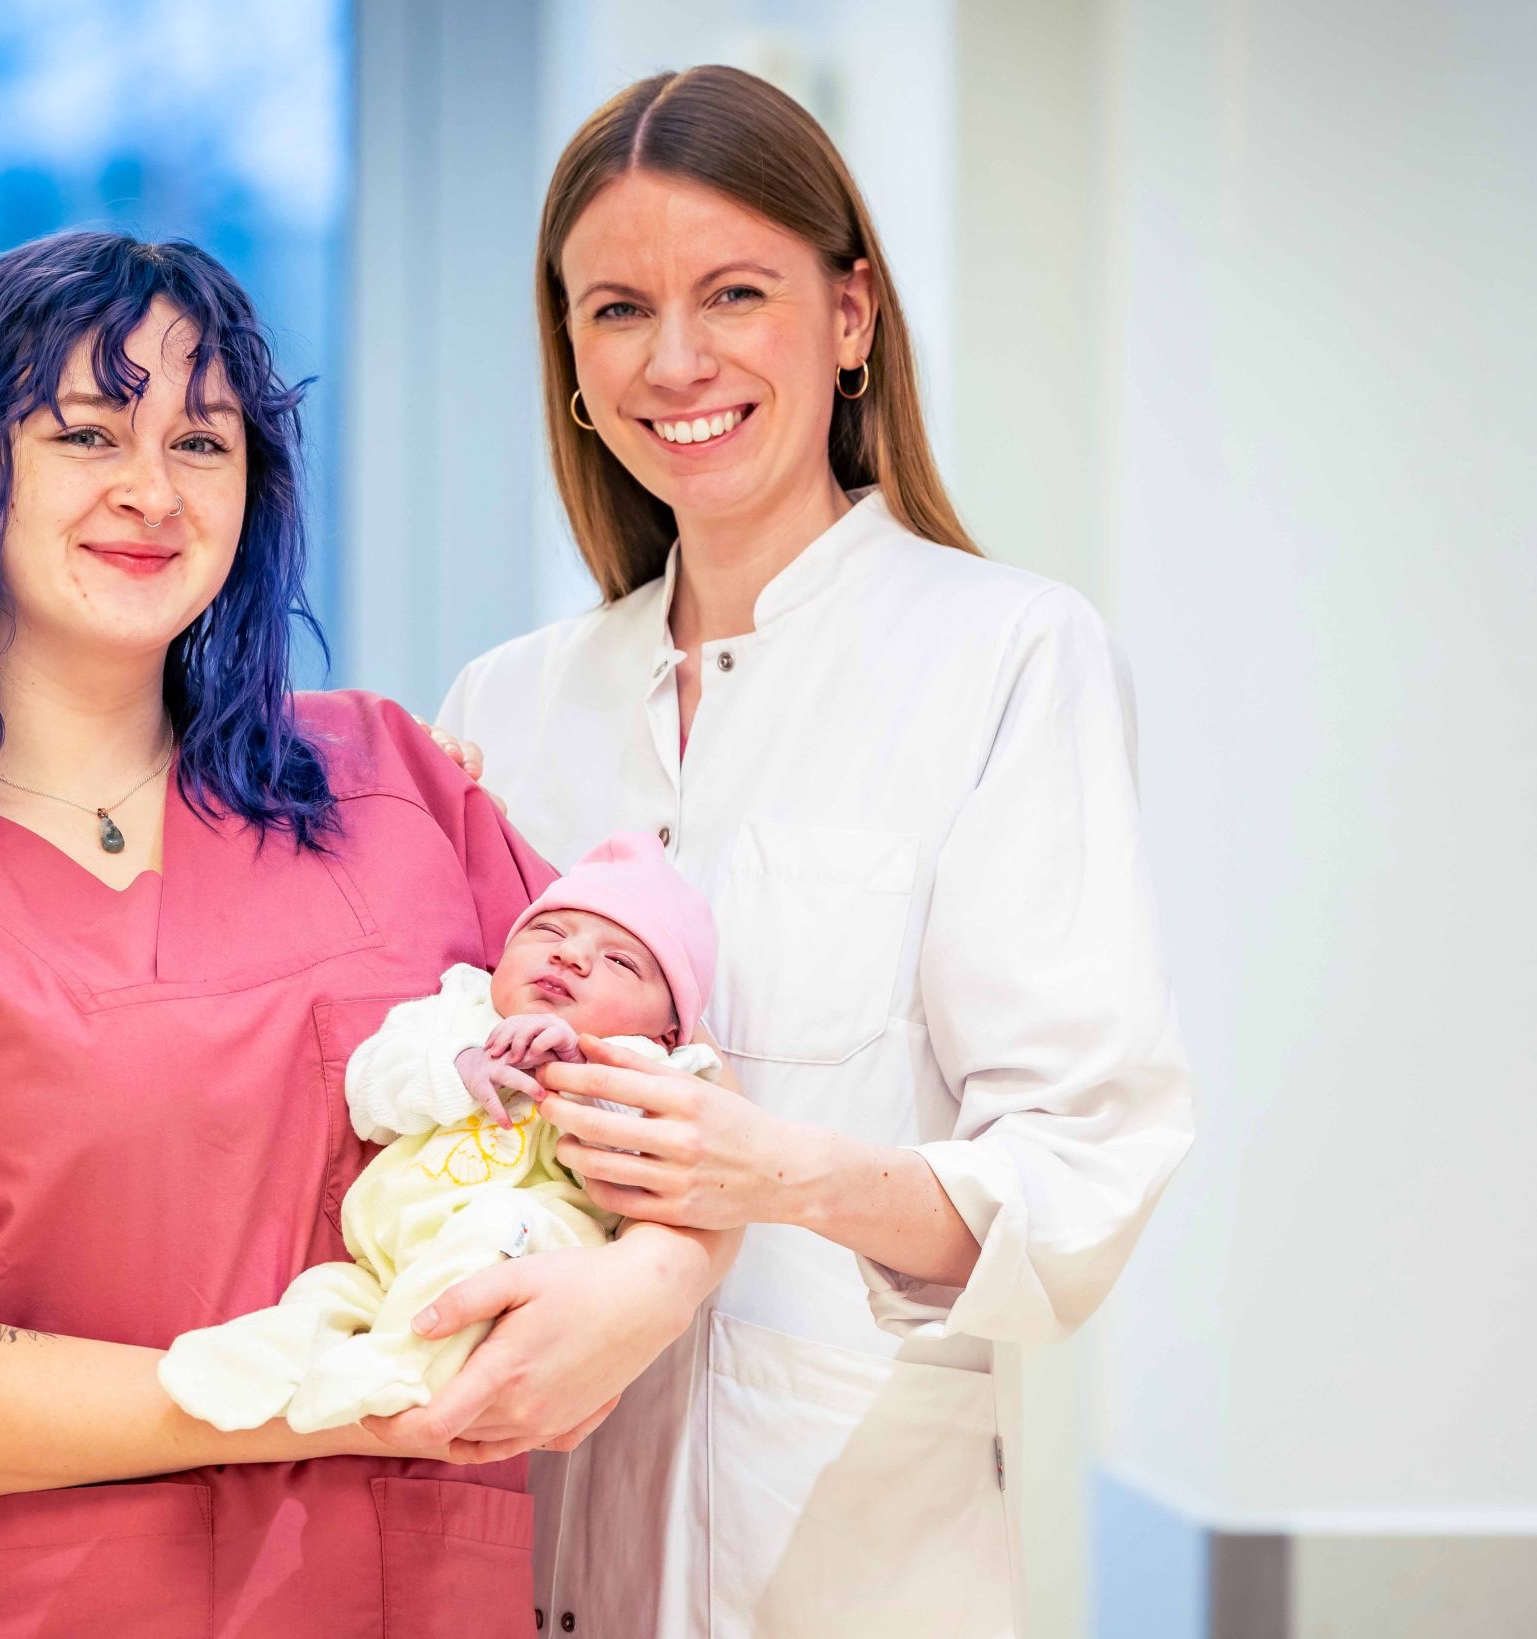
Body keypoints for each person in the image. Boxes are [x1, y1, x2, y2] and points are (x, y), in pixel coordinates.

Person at [0, 230, 713, 1637]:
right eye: (87, 432)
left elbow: (666, 1064)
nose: (152, 491)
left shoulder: (390, 784)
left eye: (204, 443)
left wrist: (656, 1277)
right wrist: (307, 1397)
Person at [426, 66, 1196, 1635]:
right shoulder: (505, 708)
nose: (679, 359)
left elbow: (1079, 1161)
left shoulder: (1007, 655)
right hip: (531, 1550)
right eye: (619, 309)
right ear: (570, 357)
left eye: (736, 293)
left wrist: (775, 1173)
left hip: (856, 1555)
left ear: (850, 315)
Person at [160, 832, 723, 1435]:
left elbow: (653, 1164)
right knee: (325, 1294)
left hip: (524, 1247)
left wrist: (583, 1079)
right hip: (385, 1251)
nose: (571, 957)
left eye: (619, 961)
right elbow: (369, 1093)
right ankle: (252, 1366)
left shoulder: (655, 1068)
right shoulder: (460, 1007)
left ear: (669, 1032)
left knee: (493, 1229)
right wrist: (461, 1068)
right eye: (550, 933)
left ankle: (402, 1364)